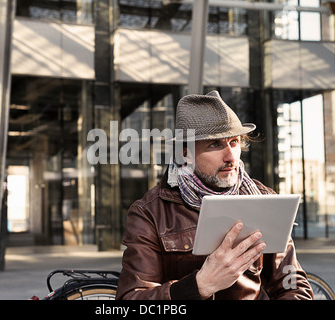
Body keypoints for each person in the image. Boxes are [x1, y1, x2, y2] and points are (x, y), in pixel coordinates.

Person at [115, 90, 313, 300]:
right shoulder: (150, 213)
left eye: (234, 142)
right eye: (215, 144)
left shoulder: (264, 199)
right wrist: (199, 285)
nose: (230, 156)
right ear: (185, 152)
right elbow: (132, 299)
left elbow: (293, 286)